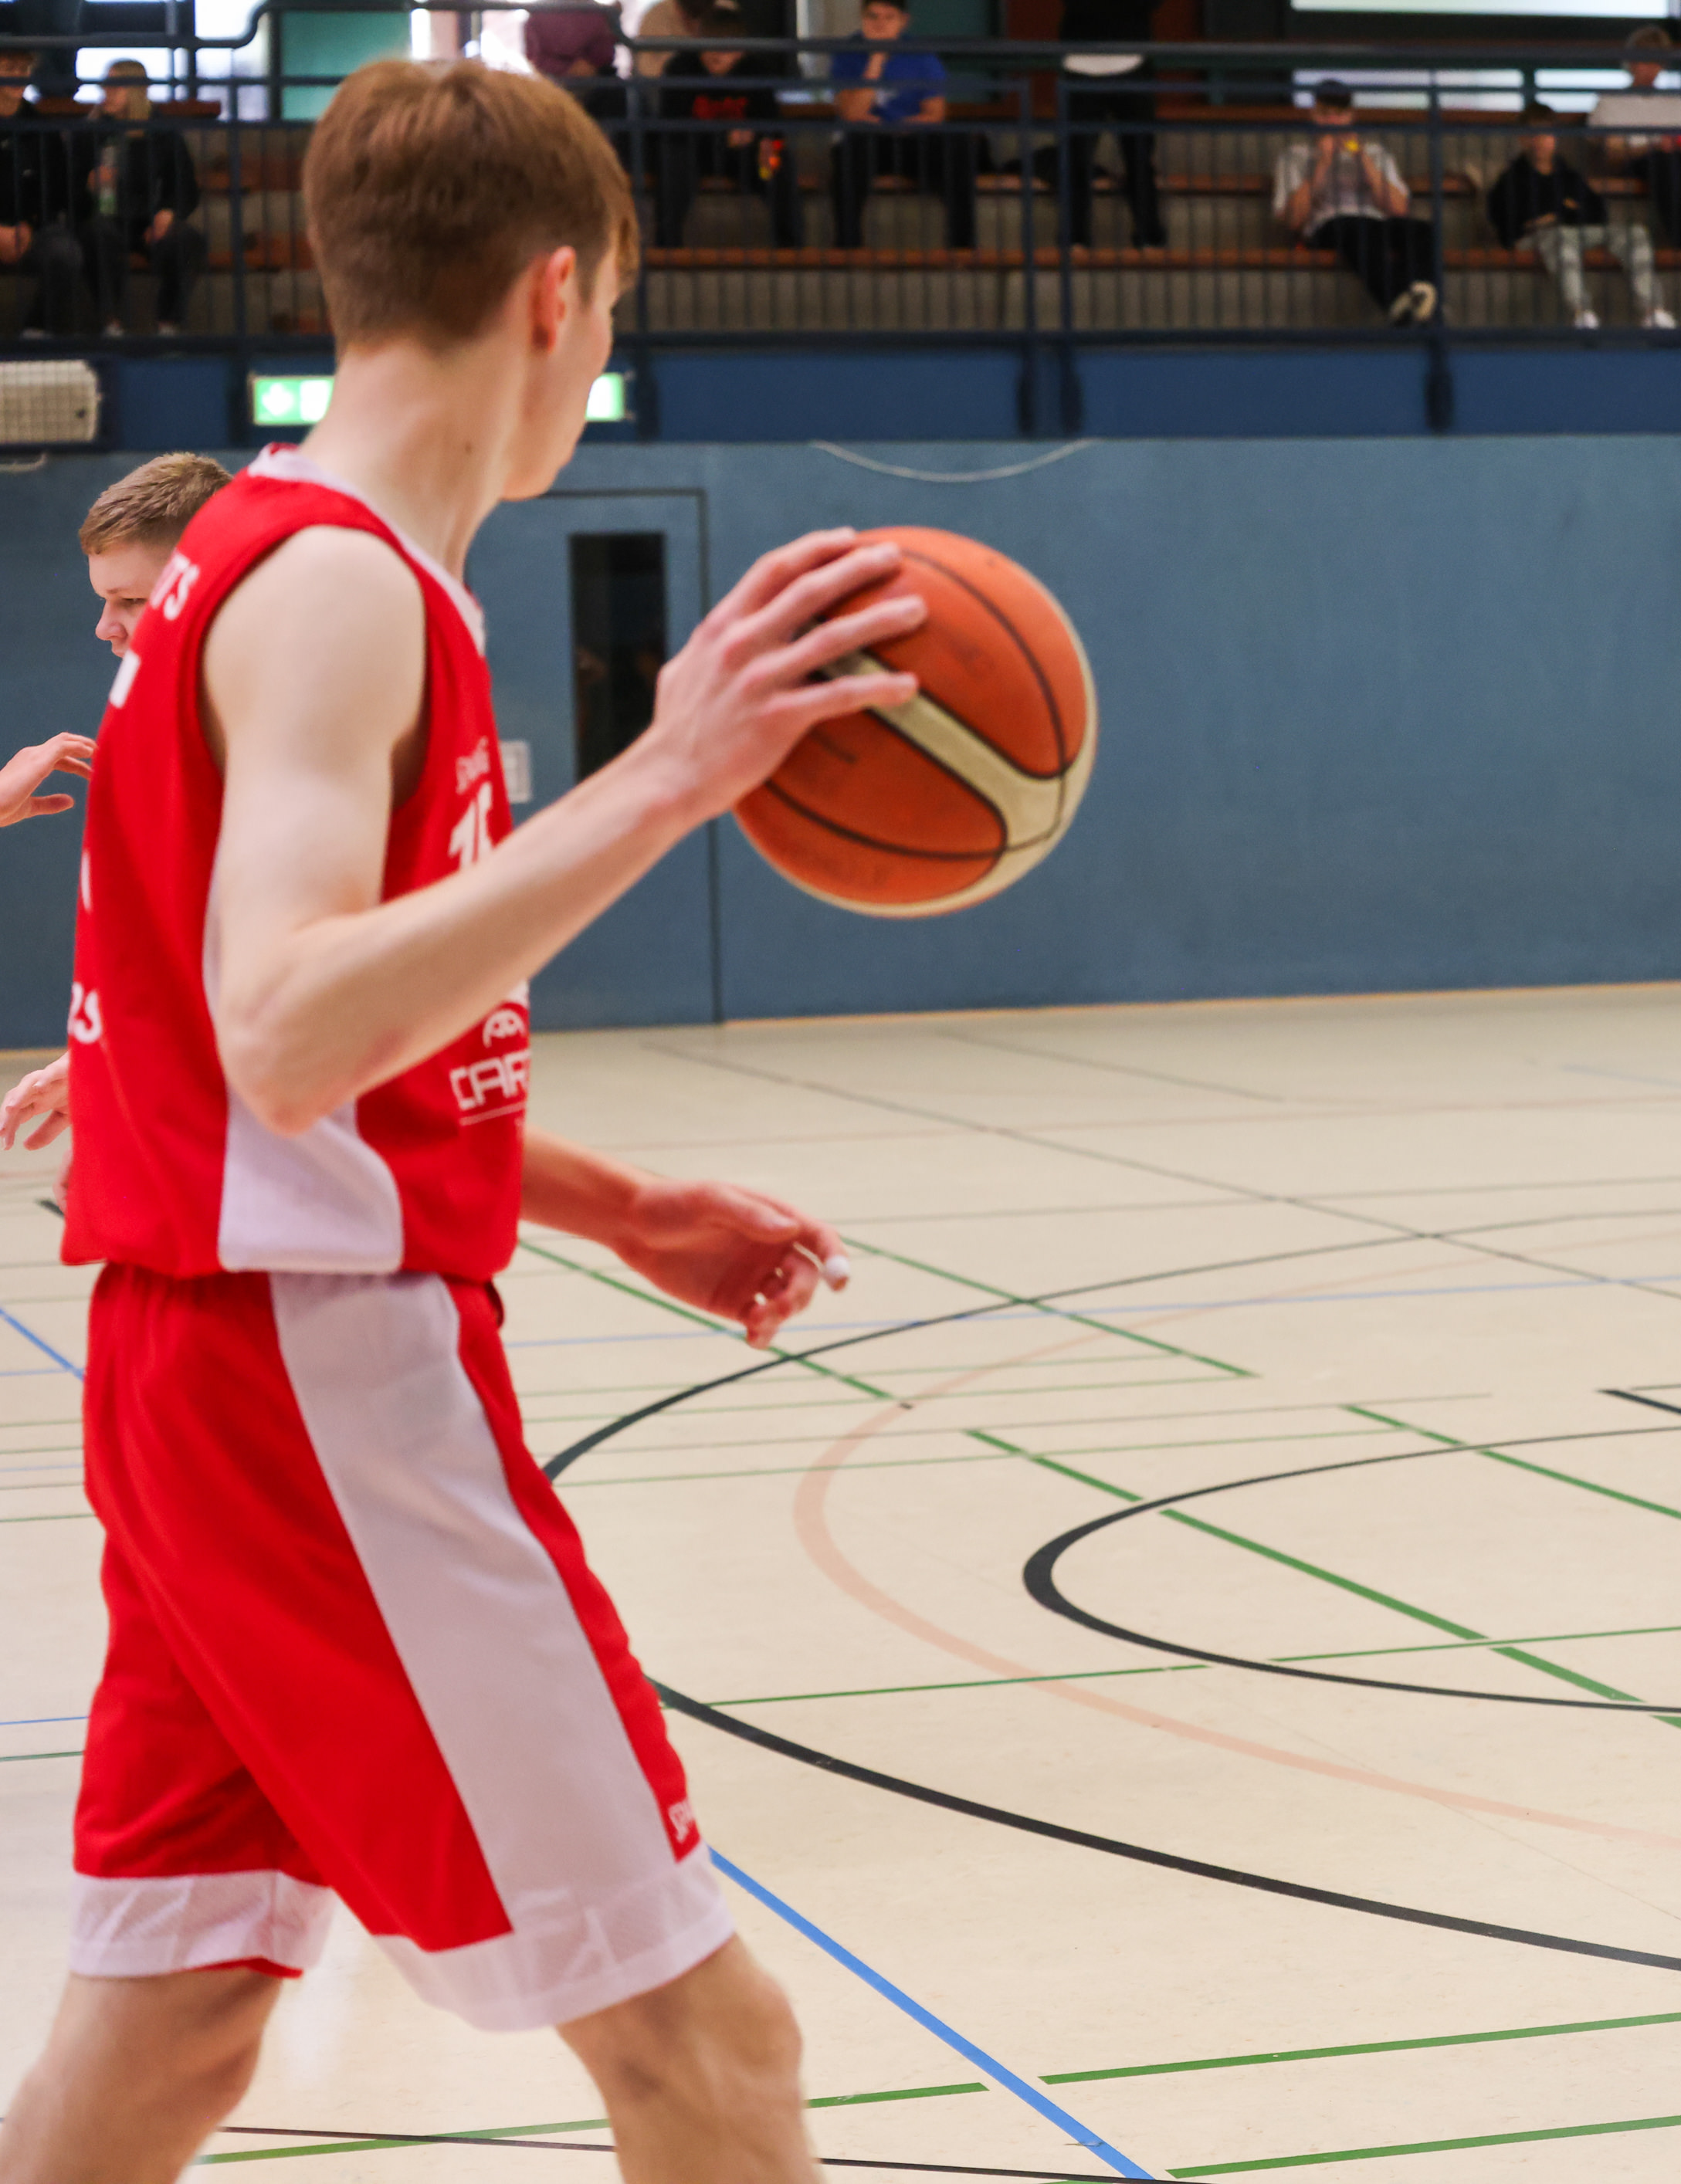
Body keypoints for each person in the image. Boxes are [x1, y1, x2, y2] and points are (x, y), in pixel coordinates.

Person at [0, 59, 929, 2182]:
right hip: (316, 1382)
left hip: (196, 1361)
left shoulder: (254, 553)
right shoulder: (342, 588)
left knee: (167, 2027)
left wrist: (608, 1201)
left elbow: (268, 1057)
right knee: (709, 2041)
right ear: (555, 293)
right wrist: (667, 775)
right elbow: (286, 1031)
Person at [0, 453, 236, 1166]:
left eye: (132, 600)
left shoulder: (267, 740)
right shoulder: (149, 729)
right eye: (104, 601)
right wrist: (105, 1059)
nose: (106, 627)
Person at [1486, 104, 1670, 332]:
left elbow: (1597, 212)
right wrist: (1566, 211)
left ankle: (1653, 311)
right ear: (1522, 139)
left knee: (1635, 233)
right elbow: (1513, 221)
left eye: (1546, 133)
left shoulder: (1569, 175)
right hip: (1536, 239)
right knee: (1560, 236)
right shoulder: (1511, 179)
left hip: (1577, 233)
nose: (1540, 141)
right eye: (1533, 134)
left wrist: (1557, 215)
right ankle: (1582, 312)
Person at [1272, 80, 1436, 327]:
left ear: (1351, 117)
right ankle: (1400, 304)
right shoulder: (1294, 156)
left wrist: (1363, 160)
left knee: (1424, 231)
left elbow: (1399, 209)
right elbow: (1294, 220)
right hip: (1328, 227)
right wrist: (1322, 163)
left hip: (1375, 224)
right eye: (1325, 114)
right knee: (1356, 228)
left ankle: (1419, 298)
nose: (1333, 121)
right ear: (1313, 115)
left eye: (1340, 114)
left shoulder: (1376, 154)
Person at [831, 0, 974, 251]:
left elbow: (935, 114)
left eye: (889, 17)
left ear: (903, 21)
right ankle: (848, 248)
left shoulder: (921, 55)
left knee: (957, 146)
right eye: (873, 16)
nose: (880, 24)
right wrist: (876, 60)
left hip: (911, 137)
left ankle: (962, 249)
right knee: (849, 152)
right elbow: (852, 114)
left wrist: (896, 125)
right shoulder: (847, 53)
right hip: (868, 141)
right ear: (862, 18)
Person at [1588, 26, 1681, 251]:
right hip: (1638, 160)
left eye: (1657, 61)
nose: (1651, 68)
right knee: (1663, 162)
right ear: (1631, 62)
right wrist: (1654, 146)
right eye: (1645, 60)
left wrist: (1680, 144)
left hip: (1675, 158)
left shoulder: (1676, 101)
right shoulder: (1610, 101)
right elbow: (1612, 153)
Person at [80, 62, 203, 337]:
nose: (106, 92)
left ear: (136, 91)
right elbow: (65, 186)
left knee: (188, 240)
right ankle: (110, 322)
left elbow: (184, 185)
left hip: (149, 220)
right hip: (105, 219)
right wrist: (88, 185)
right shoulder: (90, 131)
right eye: (105, 85)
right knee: (97, 234)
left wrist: (168, 211)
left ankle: (169, 323)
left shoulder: (162, 132)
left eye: (116, 86)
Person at [655, 34, 802, 249]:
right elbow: (671, 128)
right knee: (673, 161)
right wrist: (724, 136)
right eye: (711, 48)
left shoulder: (755, 70)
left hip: (744, 155)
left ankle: (791, 249)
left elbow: (773, 126)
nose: (717, 55)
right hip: (694, 153)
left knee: (776, 163)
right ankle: (667, 248)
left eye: (727, 50)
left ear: (740, 52)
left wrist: (766, 142)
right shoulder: (681, 68)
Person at [0, 46, 92, 340]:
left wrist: (30, 224)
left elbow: (55, 189)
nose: (19, 77)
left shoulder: (41, 128)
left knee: (64, 251)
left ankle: (37, 330)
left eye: (24, 70)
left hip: (30, 229)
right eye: (9, 69)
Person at [1057, 0, 1163, 252]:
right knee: (1076, 159)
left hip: (1131, 60)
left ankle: (1149, 237)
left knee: (1139, 158)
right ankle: (1074, 239)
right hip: (1080, 63)